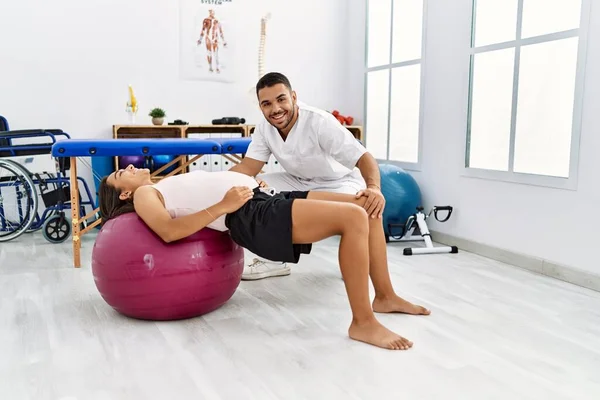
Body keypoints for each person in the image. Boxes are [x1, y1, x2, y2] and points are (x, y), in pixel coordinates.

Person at [98, 165, 430, 351]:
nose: (127, 166)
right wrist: (223, 206)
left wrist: (243, 182)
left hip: (264, 196)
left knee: (367, 205)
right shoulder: (145, 193)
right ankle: (363, 323)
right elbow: (169, 231)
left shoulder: (166, 182)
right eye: (120, 174)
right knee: (354, 218)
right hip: (250, 214)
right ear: (125, 193)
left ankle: (385, 297)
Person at [230, 72, 386, 280]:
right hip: (298, 180)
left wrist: (374, 188)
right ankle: (273, 260)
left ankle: (359, 260)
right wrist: (212, 184)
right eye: (267, 104)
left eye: (281, 99)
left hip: (339, 182)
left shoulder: (319, 121)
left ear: (293, 97)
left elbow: (363, 157)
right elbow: (247, 167)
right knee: (254, 192)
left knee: (362, 209)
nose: (275, 109)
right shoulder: (264, 128)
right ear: (261, 107)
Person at [197, 9, 227, 74]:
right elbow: (203, 30)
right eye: (211, 12)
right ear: (209, 13)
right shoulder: (206, 20)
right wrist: (200, 39)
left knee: (216, 53)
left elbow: (220, 31)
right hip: (208, 38)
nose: (212, 14)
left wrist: (224, 41)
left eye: (212, 12)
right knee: (209, 53)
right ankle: (210, 67)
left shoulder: (217, 21)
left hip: (215, 39)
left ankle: (217, 67)